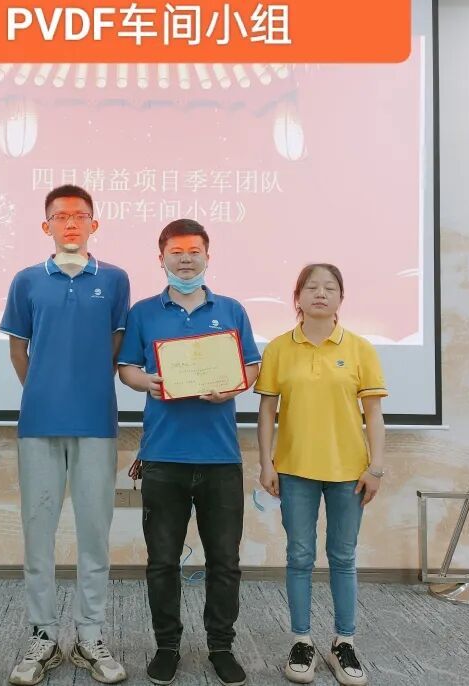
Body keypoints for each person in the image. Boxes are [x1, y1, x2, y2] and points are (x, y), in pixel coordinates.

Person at [118, 219, 260, 686]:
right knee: (162, 561)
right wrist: (147, 382)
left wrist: (233, 386)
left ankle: (221, 646)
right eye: (175, 251)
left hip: (221, 458)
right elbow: (127, 368)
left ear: (207, 256)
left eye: (194, 250)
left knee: (225, 562)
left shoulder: (231, 310)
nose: (185, 259)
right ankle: (167, 646)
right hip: (163, 456)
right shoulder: (143, 312)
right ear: (161, 258)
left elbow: (252, 366)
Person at [1, 185, 130, 686]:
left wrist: (83, 387)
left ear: (94, 224)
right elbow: (19, 349)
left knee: (94, 532)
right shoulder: (27, 280)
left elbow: (115, 345)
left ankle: (90, 634)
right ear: (46, 226)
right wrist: (44, 390)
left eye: (80, 216)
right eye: (60, 216)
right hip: (39, 425)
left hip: (96, 422)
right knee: (38, 532)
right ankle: (43, 635)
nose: (70, 223)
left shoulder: (114, 279)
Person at [255, 264, 387, 686]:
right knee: (299, 556)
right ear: (297, 297)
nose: (320, 293)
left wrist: (376, 467)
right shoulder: (279, 348)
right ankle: (302, 641)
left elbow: (374, 414)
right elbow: (267, 412)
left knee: (343, 557)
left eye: (330, 287)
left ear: (341, 298)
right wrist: (266, 462)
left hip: (350, 472)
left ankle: (343, 642)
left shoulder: (360, 348)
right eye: (311, 287)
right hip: (295, 470)